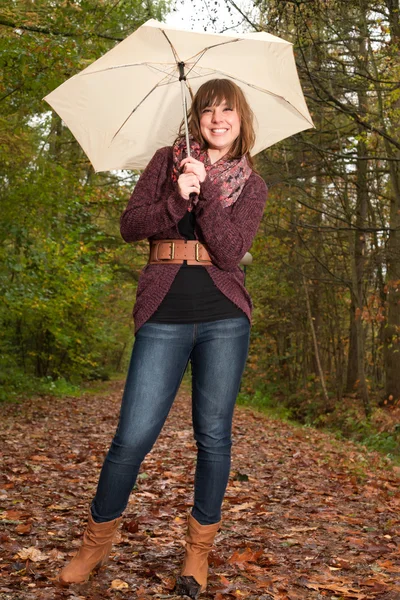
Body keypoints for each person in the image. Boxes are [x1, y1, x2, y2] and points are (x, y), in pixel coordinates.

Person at [58, 78, 268, 598]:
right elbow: (131, 226)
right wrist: (177, 195)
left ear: (241, 121)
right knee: (132, 436)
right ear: (195, 119)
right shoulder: (164, 162)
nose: (217, 119)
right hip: (163, 312)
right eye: (207, 111)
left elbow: (228, 250)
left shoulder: (253, 185)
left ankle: (197, 552)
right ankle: (94, 541)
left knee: (214, 437)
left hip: (225, 317)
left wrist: (208, 196)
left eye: (228, 111)